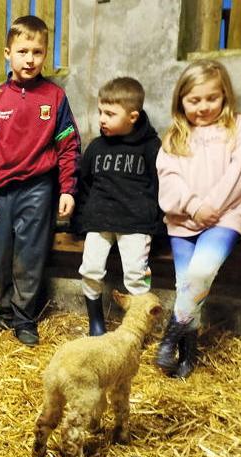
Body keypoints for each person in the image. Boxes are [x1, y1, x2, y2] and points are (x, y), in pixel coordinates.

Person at [0, 15, 81, 346]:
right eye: (23, 51)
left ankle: (24, 319)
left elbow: (69, 146)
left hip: (39, 189)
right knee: (3, 255)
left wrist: (67, 188)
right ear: (8, 53)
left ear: (45, 53)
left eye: (37, 51)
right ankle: (3, 315)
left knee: (30, 258)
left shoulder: (55, 97)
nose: (30, 59)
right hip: (1, 191)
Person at [155, 59, 241, 378]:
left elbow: (239, 174)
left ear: (225, 96)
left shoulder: (240, 127)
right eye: (194, 100)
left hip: (225, 219)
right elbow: (168, 178)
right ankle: (189, 354)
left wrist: (210, 207)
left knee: (200, 273)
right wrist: (193, 205)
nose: (203, 107)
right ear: (181, 101)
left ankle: (169, 337)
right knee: (187, 286)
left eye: (212, 98)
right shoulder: (174, 136)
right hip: (183, 221)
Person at [71, 77, 162, 336]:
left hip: (135, 224)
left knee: (135, 276)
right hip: (99, 221)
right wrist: (79, 220)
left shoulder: (151, 147)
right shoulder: (97, 148)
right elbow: (84, 184)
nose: (102, 119)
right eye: (100, 111)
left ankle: (137, 328)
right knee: (90, 270)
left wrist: (157, 225)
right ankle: (96, 322)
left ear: (133, 116)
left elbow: (160, 186)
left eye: (110, 113)